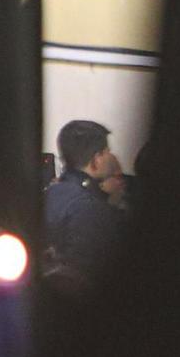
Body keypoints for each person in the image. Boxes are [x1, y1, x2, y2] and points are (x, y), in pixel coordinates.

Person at [43, 119, 128, 281]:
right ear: (96, 160)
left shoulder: (50, 192)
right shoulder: (89, 207)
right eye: (107, 151)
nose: (110, 156)